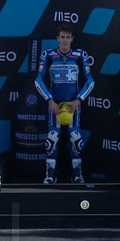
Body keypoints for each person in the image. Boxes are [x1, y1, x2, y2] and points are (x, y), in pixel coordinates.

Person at [34, 24, 95, 185]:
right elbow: (38, 79)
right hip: (55, 105)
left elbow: (90, 81)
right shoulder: (48, 55)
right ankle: (50, 175)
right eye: (62, 37)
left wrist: (78, 100)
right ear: (57, 38)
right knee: (51, 139)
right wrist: (50, 100)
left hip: (73, 105)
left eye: (68, 37)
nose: (65, 41)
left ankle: (77, 175)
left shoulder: (80, 55)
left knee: (76, 139)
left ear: (72, 38)